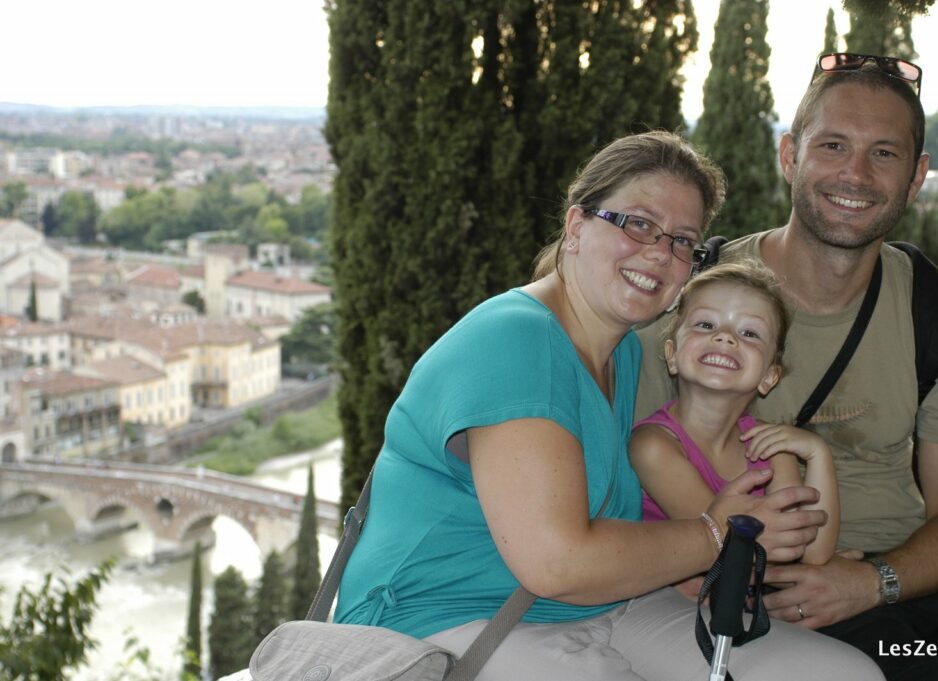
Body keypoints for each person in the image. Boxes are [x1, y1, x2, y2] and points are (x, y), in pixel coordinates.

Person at [334, 131, 883, 680]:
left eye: (682, 241)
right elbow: (557, 561)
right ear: (576, 226)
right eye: (638, 224)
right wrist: (716, 533)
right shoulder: (516, 344)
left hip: (607, 604)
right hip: (444, 619)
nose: (658, 253)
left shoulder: (621, 351)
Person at [636, 54, 938, 681]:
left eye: (885, 154)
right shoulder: (699, 309)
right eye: (834, 145)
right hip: (768, 586)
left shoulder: (937, 310)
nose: (856, 173)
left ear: (918, 176)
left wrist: (871, 582)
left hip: (908, 579)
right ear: (790, 156)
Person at [630, 261, 839, 576]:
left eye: (749, 332)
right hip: (668, 603)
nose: (726, 337)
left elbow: (812, 552)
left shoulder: (771, 448)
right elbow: (726, 552)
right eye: (705, 325)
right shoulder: (653, 447)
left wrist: (818, 453)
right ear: (672, 355)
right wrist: (797, 576)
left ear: (769, 376)